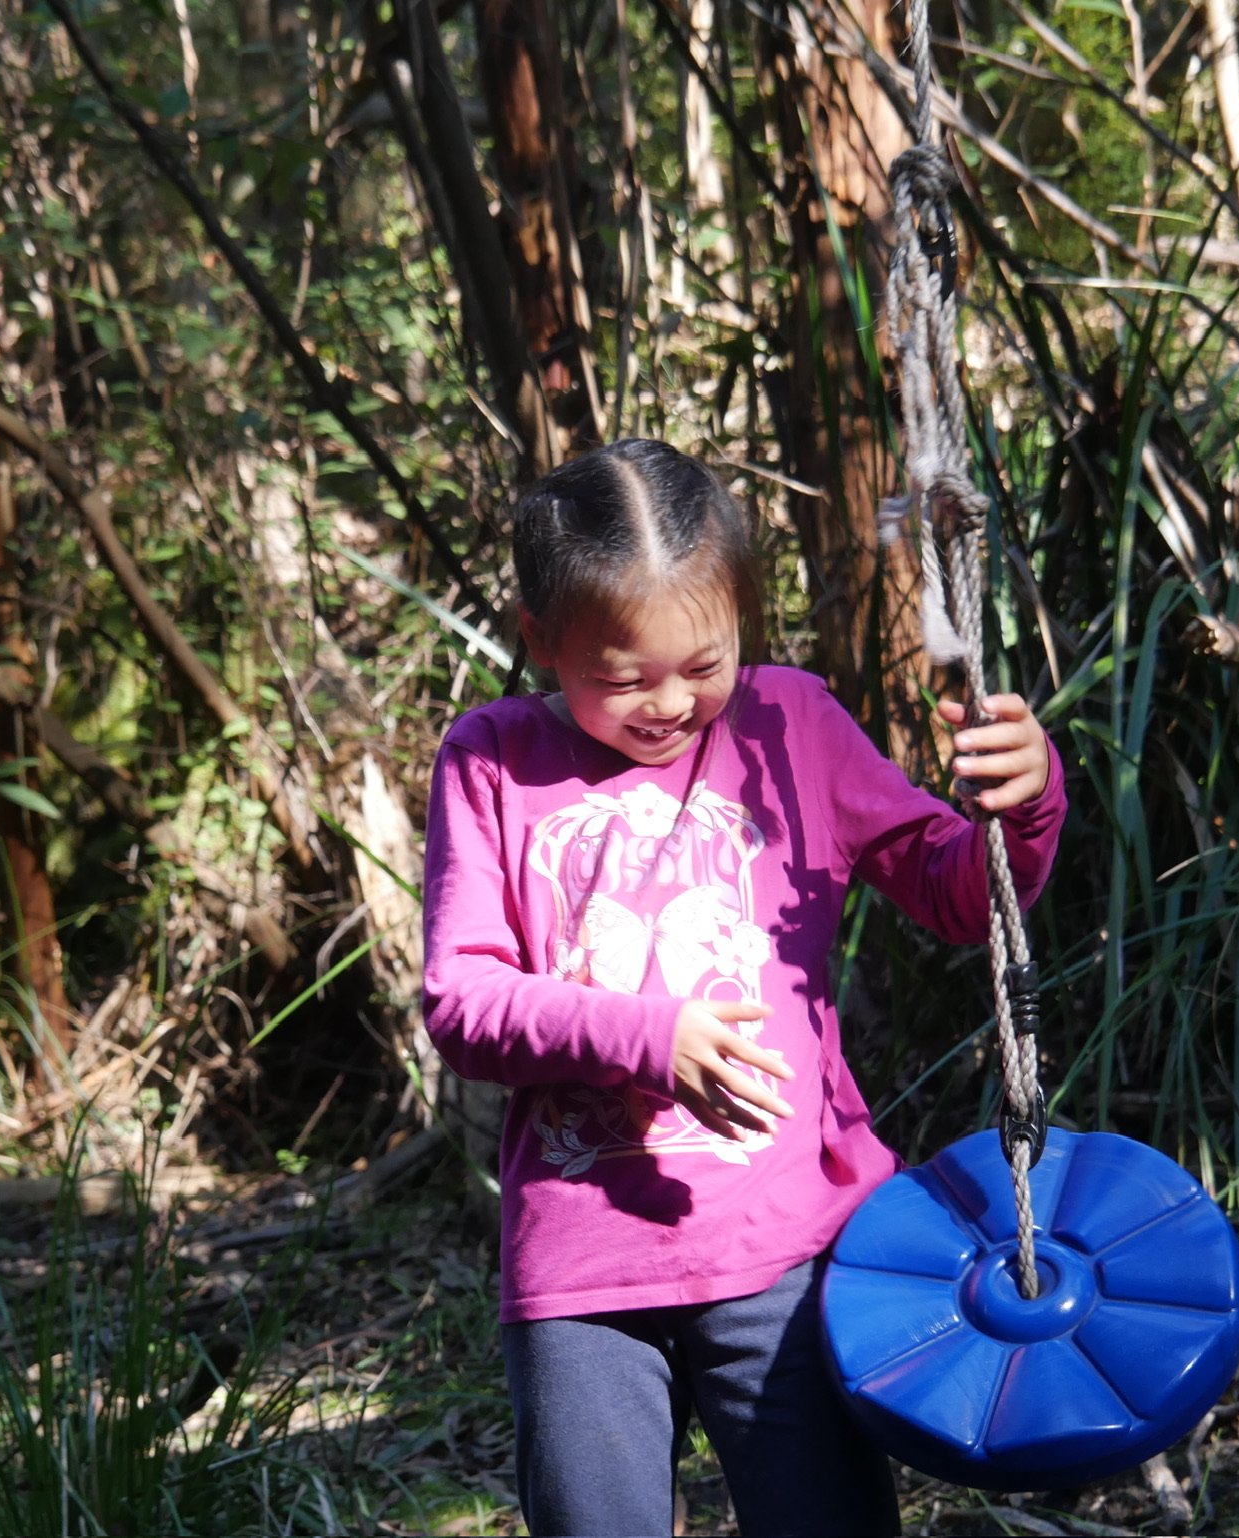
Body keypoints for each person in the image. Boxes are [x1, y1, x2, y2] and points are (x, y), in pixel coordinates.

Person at [421, 439, 1065, 1538]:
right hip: (583, 1271)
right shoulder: (491, 759)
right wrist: (648, 1035)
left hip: (789, 1250)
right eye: (619, 676)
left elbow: (958, 891)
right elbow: (462, 1001)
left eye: (702, 661)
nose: (668, 701)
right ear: (540, 640)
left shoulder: (788, 728)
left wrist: (1025, 798)